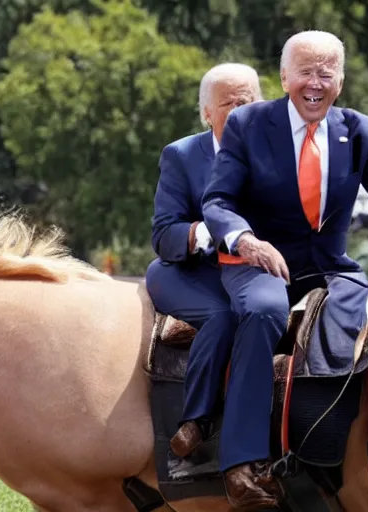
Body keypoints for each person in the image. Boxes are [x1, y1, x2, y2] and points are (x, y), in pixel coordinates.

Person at [201, 30, 368, 510]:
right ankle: (241, 463)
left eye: (326, 72)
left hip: (332, 270)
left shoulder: (360, 131)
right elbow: (217, 201)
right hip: (261, 264)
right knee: (263, 313)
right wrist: (246, 240)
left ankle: (334, 456)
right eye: (305, 71)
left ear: (340, 80)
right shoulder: (248, 125)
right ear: (283, 77)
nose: (315, 83)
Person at [145, 63, 262, 470]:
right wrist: (207, 232)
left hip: (251, 272)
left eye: (247, 101)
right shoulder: (180, 155)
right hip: (185, 269)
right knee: (224, 314)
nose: (240, 110)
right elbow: (163, 234)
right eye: (228, 103)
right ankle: (195, 422)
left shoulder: (278, 154)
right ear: (206, 113)